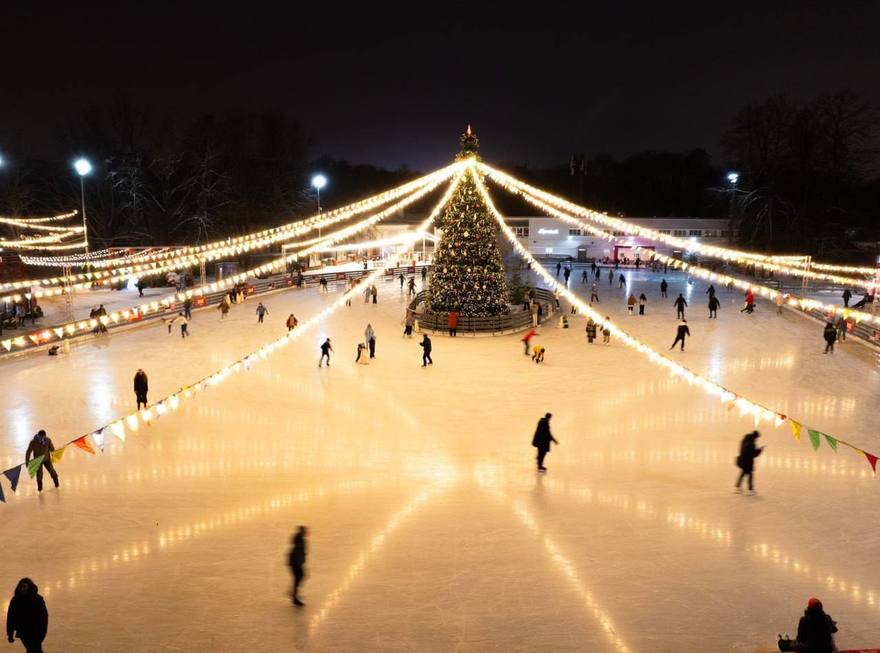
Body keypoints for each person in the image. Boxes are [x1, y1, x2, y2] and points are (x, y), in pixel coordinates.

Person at [5, 578, 48, 652]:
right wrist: (10, 634)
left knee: (33, 650)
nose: (22, 589)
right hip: (24, 633)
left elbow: (44, 617)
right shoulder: (15, 600)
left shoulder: (38, 599)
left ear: (29, 587)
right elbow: (11, 617)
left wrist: (42, 634)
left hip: (36, 632)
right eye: (21, 586)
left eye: (24, 586)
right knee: (33, 650)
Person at [288, 526, 307, 607]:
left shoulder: (300, 539)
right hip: (295, 563)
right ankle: (294, 597)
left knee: (299, 577)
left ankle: (294, 593)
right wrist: (299, 562)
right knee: (299, 577)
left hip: (295, 562)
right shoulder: (300, 541)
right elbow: (299, 552)